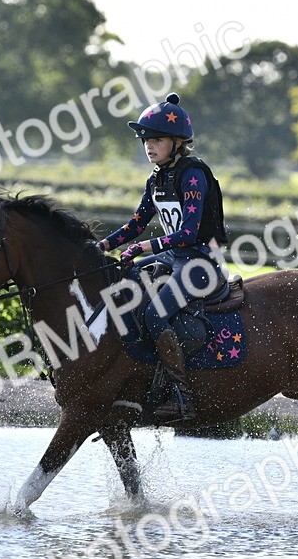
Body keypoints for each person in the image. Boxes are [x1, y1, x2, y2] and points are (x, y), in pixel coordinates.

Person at [97, 92, 227, 422]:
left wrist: (145, 248)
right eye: (145, 140)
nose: (149, 146)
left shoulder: (193, 174)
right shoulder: (156, 178)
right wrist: (100, 246)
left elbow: (188, 234)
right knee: (123, 286)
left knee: (155, 315)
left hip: (202, 262)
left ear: (177, 141)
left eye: (156, 139)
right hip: (174, 258)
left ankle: (182, 396)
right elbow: (136, 224)